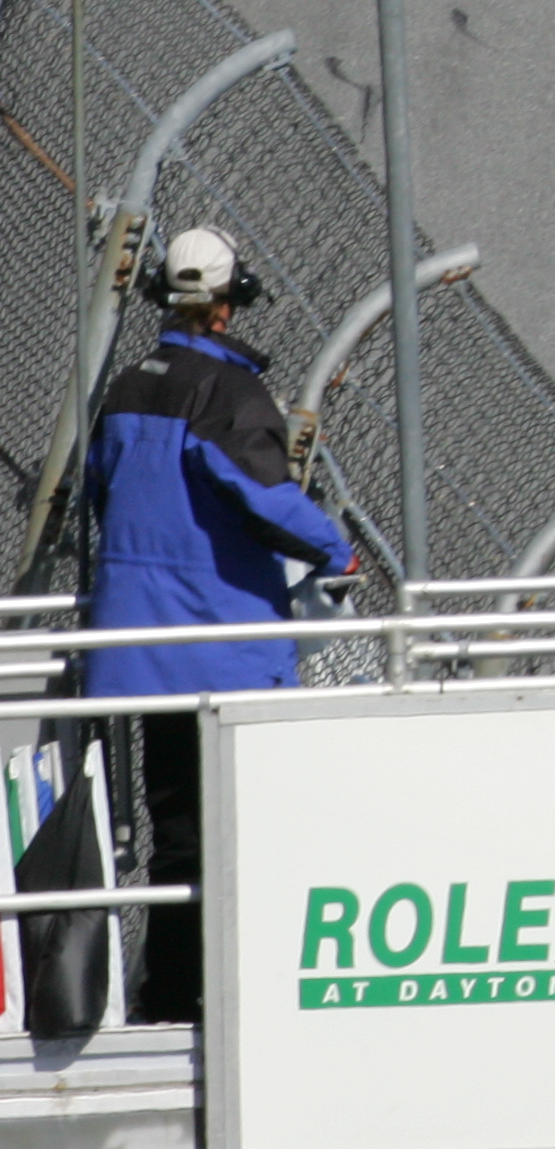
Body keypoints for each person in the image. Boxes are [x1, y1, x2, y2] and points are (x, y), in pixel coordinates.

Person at [80, 225, 357, 1024]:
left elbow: (101, 496)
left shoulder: (127, 388)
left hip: (140, 654)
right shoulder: (230, 393)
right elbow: (263, 494)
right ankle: (244, 996)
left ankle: (170, 996)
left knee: (177, 837)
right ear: (229, 308)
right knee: (247, 833)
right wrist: (334, 548)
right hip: (226, 655)